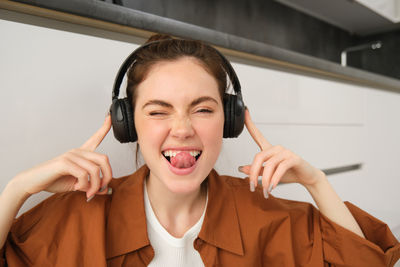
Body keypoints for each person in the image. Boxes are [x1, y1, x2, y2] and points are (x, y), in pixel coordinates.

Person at [0, 34, 399, 267]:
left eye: (203, 109)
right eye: (159, 111)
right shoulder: (76, 216)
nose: (183, 129)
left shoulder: (270, 217)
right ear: (127, 124)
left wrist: (316, 182)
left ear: (229, 119)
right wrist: (16, 190)